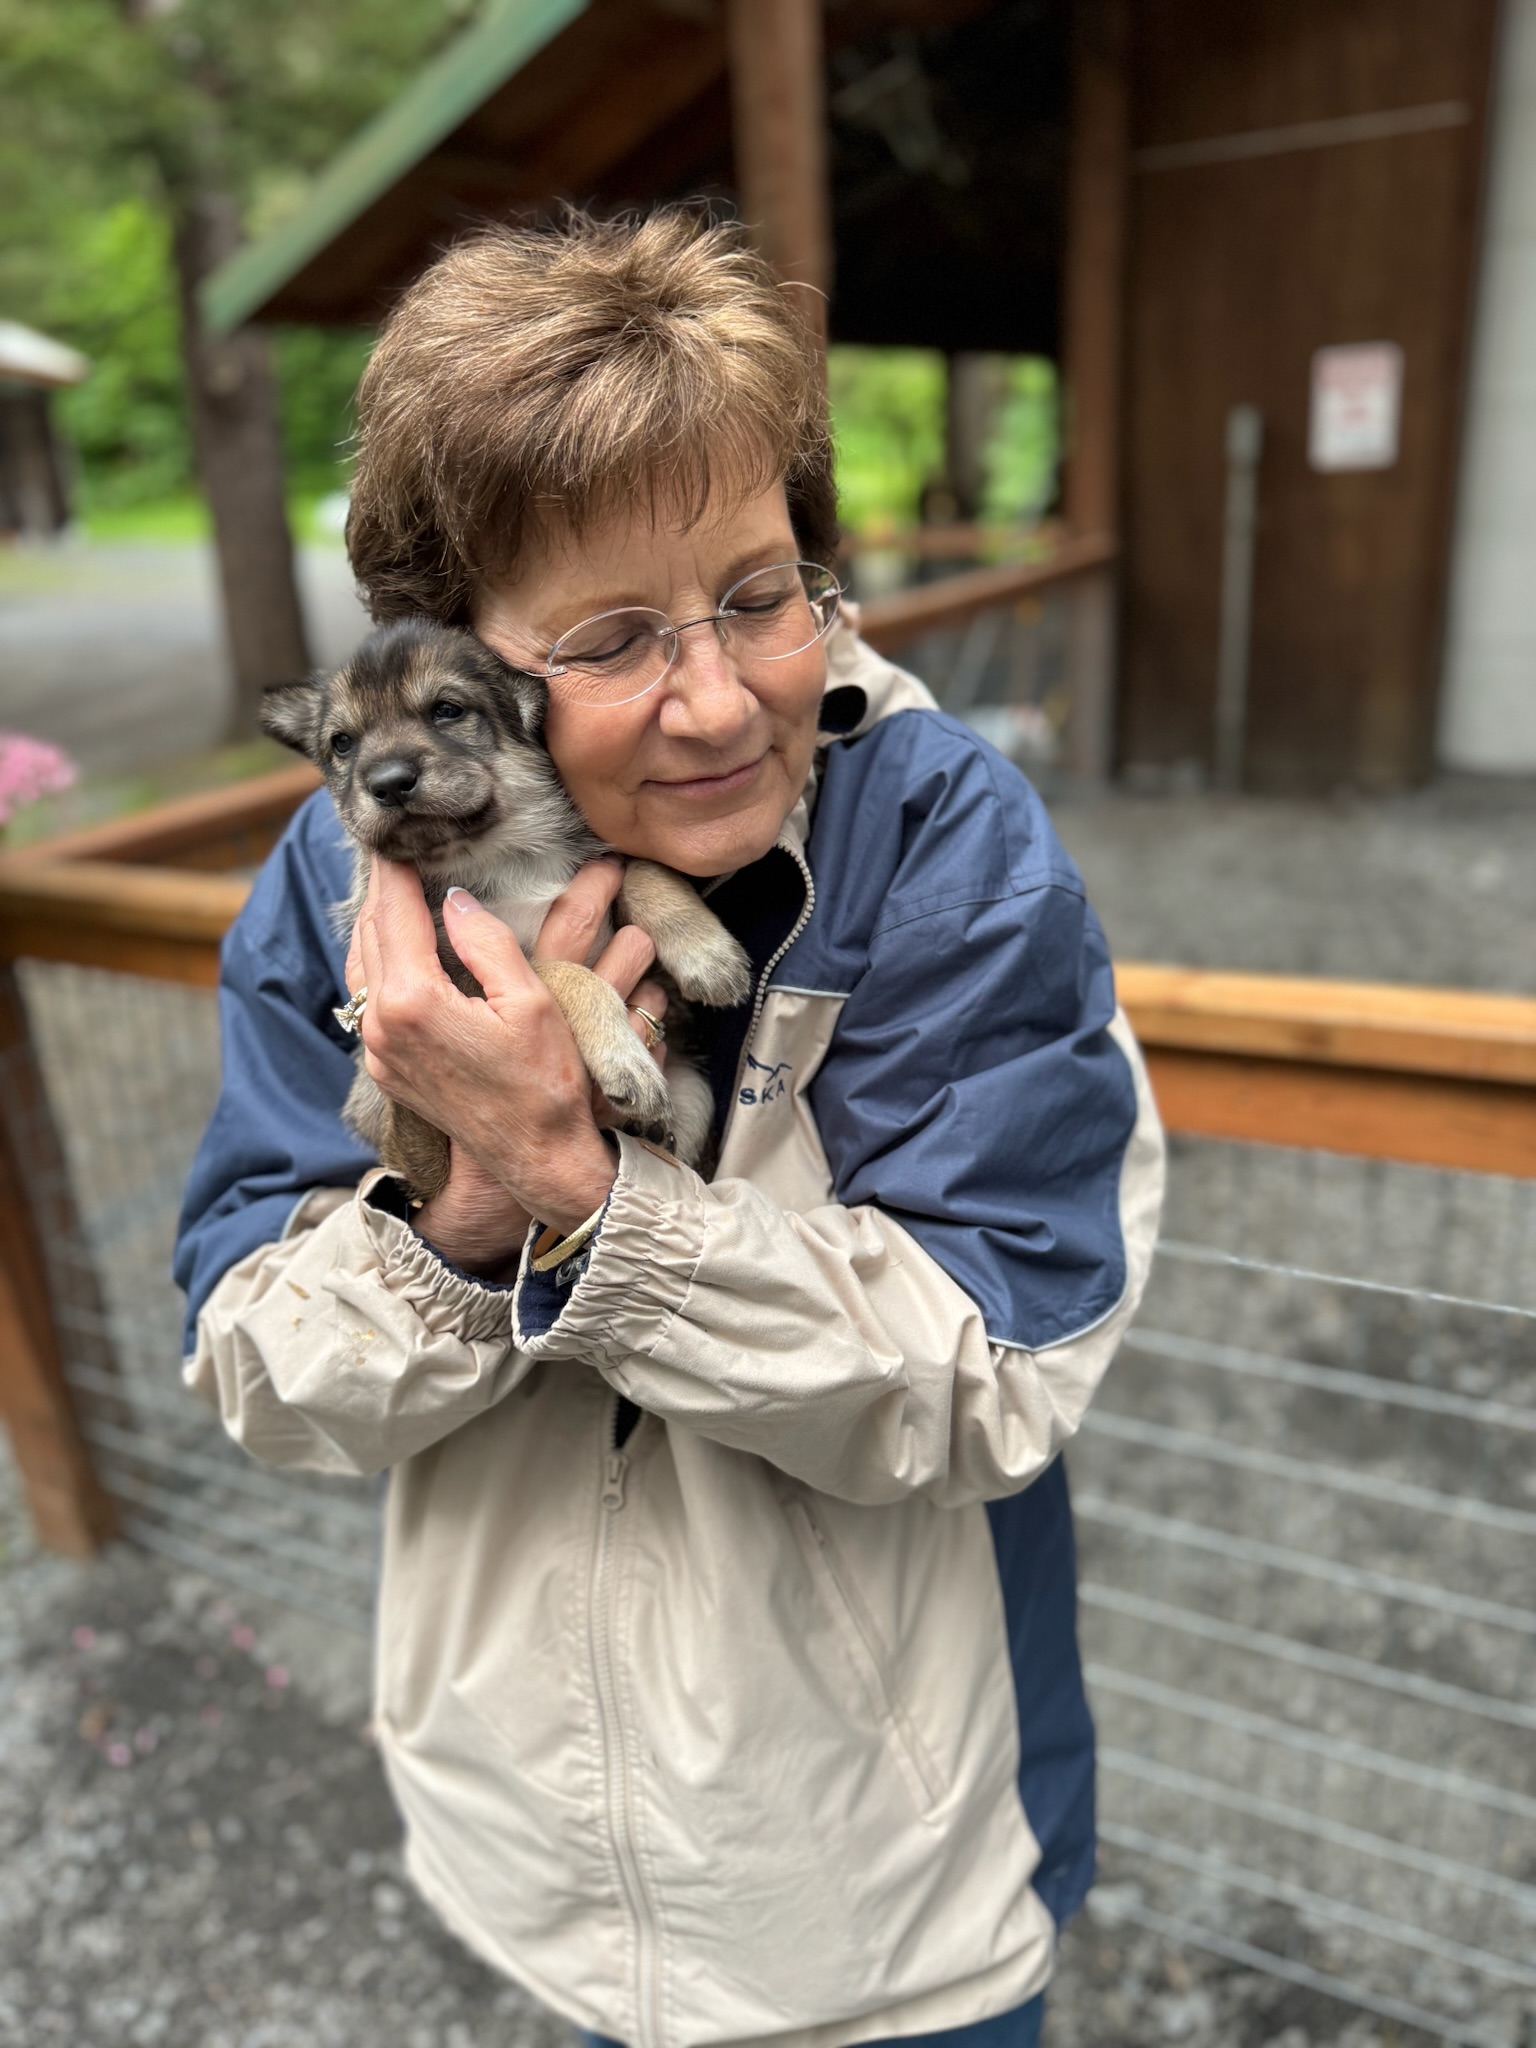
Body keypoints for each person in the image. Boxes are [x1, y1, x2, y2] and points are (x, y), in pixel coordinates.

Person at [175, 207, 1164, 2048]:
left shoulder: (937, 844)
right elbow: (252, 1365)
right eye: (615, 637)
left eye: (761, 592)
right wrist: (460, 1217)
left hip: (888, 1899)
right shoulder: (332, 896)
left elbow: (989, 1376)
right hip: (527, 1839)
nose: (718, 697)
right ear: (458, 652)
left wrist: (576, 1190)